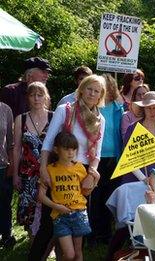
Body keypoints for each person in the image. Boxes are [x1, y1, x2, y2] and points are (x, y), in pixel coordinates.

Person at [34, 75, 104, 260]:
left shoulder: (100, 120)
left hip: (82, 175)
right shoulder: (64, 110)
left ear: (100, 96)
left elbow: (97, 152)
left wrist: (91, 174)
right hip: (58, 169)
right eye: (89, 88)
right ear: (81, 89)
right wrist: (43, 169)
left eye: (96, 91)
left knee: (74, 228)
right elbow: (48, 143)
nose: (92, 93)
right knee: (49, 226)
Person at [37, 132, 94, 261]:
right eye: (66, 149)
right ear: (56, 150)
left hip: (79, 214)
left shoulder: (79, 168)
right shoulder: (50, 170)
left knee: (78, 252)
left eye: (73, 149)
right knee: (69, 255)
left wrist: (94, 180)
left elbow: (85, 192)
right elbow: (41, 196)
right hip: (60, 217)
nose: (71, 152)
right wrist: (57, 207)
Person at [12, 82, 53, 238]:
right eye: (32, 95)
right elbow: (16, 149)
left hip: (48, 171)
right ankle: (31, 240)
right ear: (27, 97)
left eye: (40, 94)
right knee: (28, 208)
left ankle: (47, 241)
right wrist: (15, 174)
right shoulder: (20, 119)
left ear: (46, 97)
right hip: (27, 172)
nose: (36, 98)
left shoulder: (54, 116)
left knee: (48, 208)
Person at [89, 74, 124, 244]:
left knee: (109, 197)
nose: (108, 90)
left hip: (114, 159)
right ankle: (94, 233)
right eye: (105, 87)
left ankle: (106, 233)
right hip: (96, 159)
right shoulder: (94, 107)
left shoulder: (118, 108)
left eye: (110, 86)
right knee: (95, 197)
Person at [123, 91, 155, 182]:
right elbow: (128, 158)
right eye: (148, 108)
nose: (152, 111)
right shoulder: (132, 128)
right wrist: (143, 179)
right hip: (134, 179)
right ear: (143, 109)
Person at [0, 101, 14, 248]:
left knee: (4, 203)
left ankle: (6, 235)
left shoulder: (5, 109)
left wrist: (12, 162)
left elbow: (11, 141)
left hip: (2, 165)